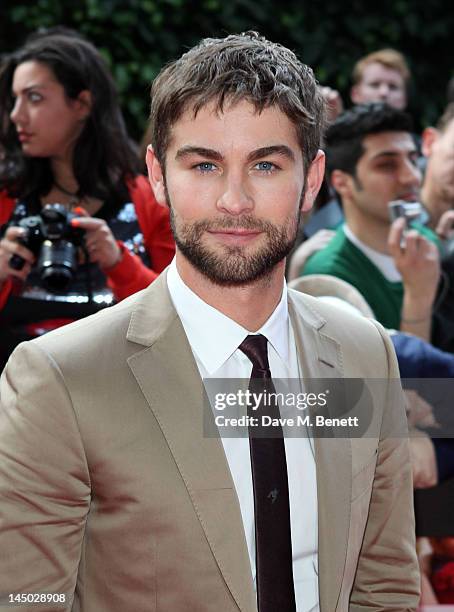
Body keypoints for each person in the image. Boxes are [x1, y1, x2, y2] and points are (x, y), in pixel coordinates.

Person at [0, 32, 419, 611]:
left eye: (266, 165)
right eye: (204, 164)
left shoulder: (364, 354)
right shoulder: (61, 378)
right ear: (159, 174)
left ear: (313, 180)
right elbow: (27, 600)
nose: (235, 201)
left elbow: (385, 583)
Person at [0, 32, 174, 367]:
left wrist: (118, 263)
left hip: (116, 389)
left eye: (34, 98)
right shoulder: (7, 198)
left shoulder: (148, 201)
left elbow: (179, 317)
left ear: (82, 104)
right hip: (15, 391)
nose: (16, 116)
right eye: (15, 100)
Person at [300, 103, 440, 341]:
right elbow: (399, 378)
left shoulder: (428, 242)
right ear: (342, 183)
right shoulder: (328, 277)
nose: (413, 177)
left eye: (413, 159)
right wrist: (417, 299)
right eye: (387, 165)